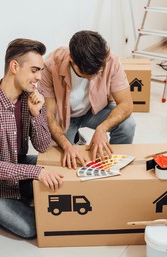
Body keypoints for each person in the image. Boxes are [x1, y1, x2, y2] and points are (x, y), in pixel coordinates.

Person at [0, 38, 64, 239]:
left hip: (17, 167)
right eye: (35, 70)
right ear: (14, 66)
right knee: (31, 228)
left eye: (41, 71)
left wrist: (37, 115)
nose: (39, 77)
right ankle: (15, 201)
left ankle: (24, 196)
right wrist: (36, 172)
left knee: (60, 170)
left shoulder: (31, 97)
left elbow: (43, 146)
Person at [39, 30, 136, 169]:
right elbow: (48, 115)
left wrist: (102, 128)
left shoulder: (110, 61)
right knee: (61, 160)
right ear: (71, 59)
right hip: (63, 118)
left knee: (128, 125)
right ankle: (74, 138)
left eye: (98, 71)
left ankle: (115, 165)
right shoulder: (50, 66)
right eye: (87, 73)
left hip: (94, 112)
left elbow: (126, 104)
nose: (94, 76)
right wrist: (66, 146)